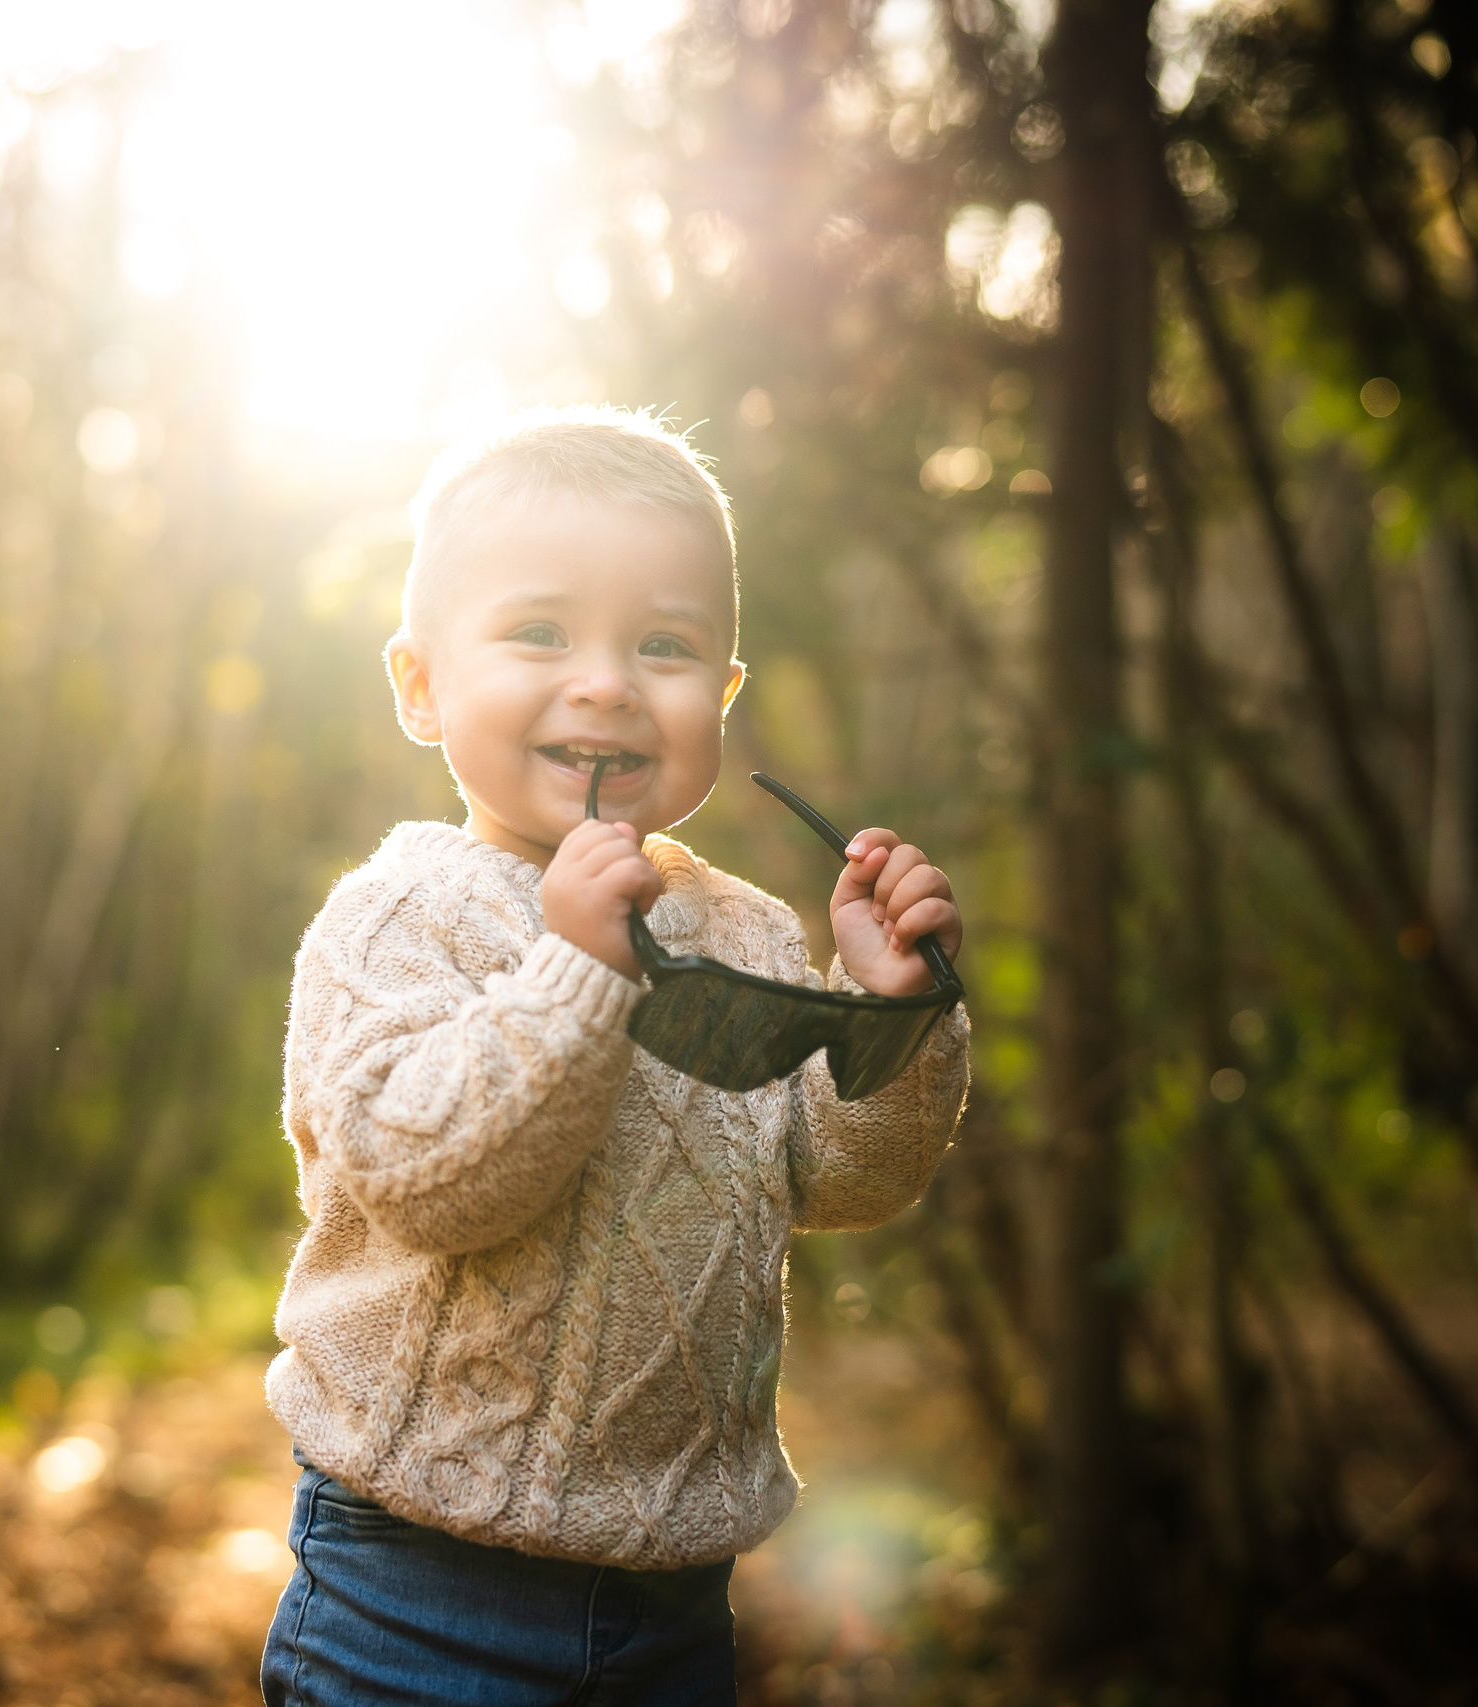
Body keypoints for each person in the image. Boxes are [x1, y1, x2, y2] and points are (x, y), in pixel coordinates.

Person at [260, 407, 969, 1705]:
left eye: (666, 646)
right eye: (540, 632)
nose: (606, 682)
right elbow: (432, 1178)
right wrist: (578, 967)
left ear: (724, 696)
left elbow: (845, 1176)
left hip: (674, 1610)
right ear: (421, 685)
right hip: (418, 1592)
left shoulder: (745, 930)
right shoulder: (398, 919)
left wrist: (894, 1011)